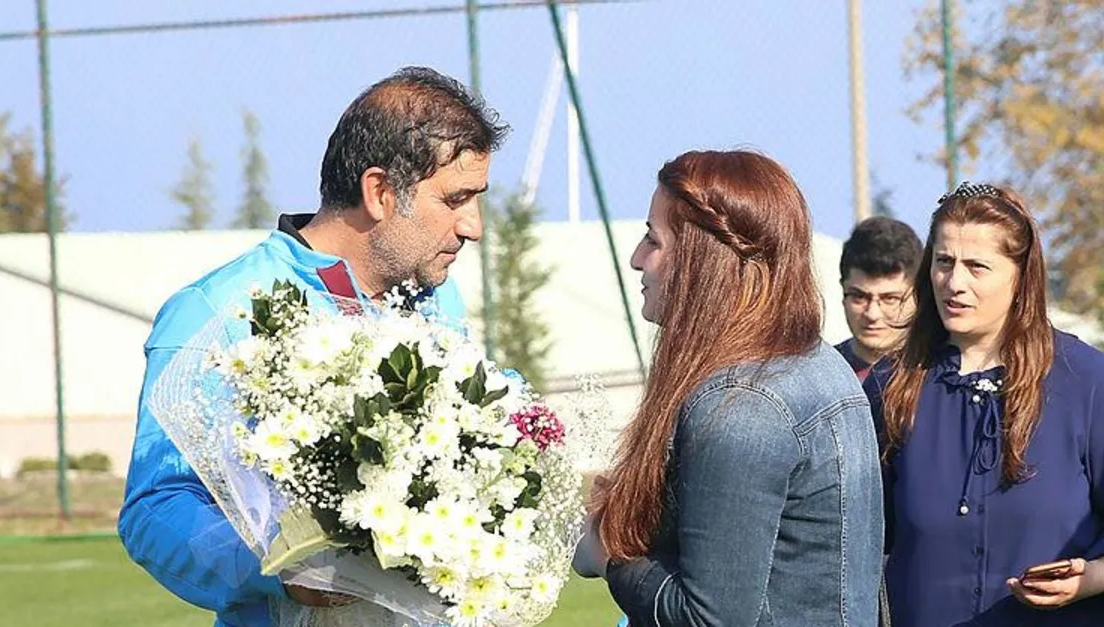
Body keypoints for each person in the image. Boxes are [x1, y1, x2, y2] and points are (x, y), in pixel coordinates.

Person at [118, 66, 509, 627]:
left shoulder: (438, 303)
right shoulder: (219, 312)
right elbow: (157, 508)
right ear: (379, 192)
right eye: (456, 199)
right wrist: (281, 567)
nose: (473, 226)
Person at [573, 150, 884, 626]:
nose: (637, 259)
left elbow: (710, 618)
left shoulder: (745, 408)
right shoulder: (817, 364)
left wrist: (608, 555)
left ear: (703, 258)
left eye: (653, 240)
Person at [865, 181, 1104, 626]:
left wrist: (1093, 577)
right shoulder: (891, 385)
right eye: (944, 262)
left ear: (1019, 276)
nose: (954, 283)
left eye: (977, 267)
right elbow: (857, 533)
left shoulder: (1085, 380)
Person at [837, 216, 923, 381]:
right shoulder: (818, 375)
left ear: (918, 296)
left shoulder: (938, 378)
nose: (872, 314)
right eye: (859, 297)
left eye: (890, 299)